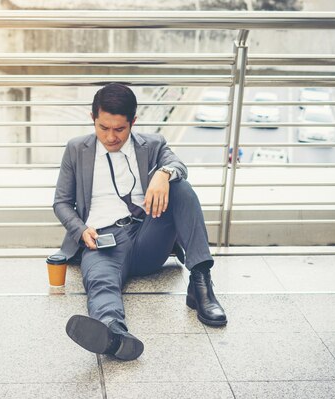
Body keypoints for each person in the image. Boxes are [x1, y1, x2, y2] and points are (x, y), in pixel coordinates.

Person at [53, 83, 227, 361]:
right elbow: (61, 203)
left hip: (148, 233)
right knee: (100, 283)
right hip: (101, 240)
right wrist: (81, 229)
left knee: (180, 187)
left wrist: (164, 174)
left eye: (119, 129)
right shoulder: (77, 149)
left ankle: (201, 283)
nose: (110, 137)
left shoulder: (153, 144)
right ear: (92, 119)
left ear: (133, 122)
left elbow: (179, 165)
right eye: (103, 128)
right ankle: (113, 334)